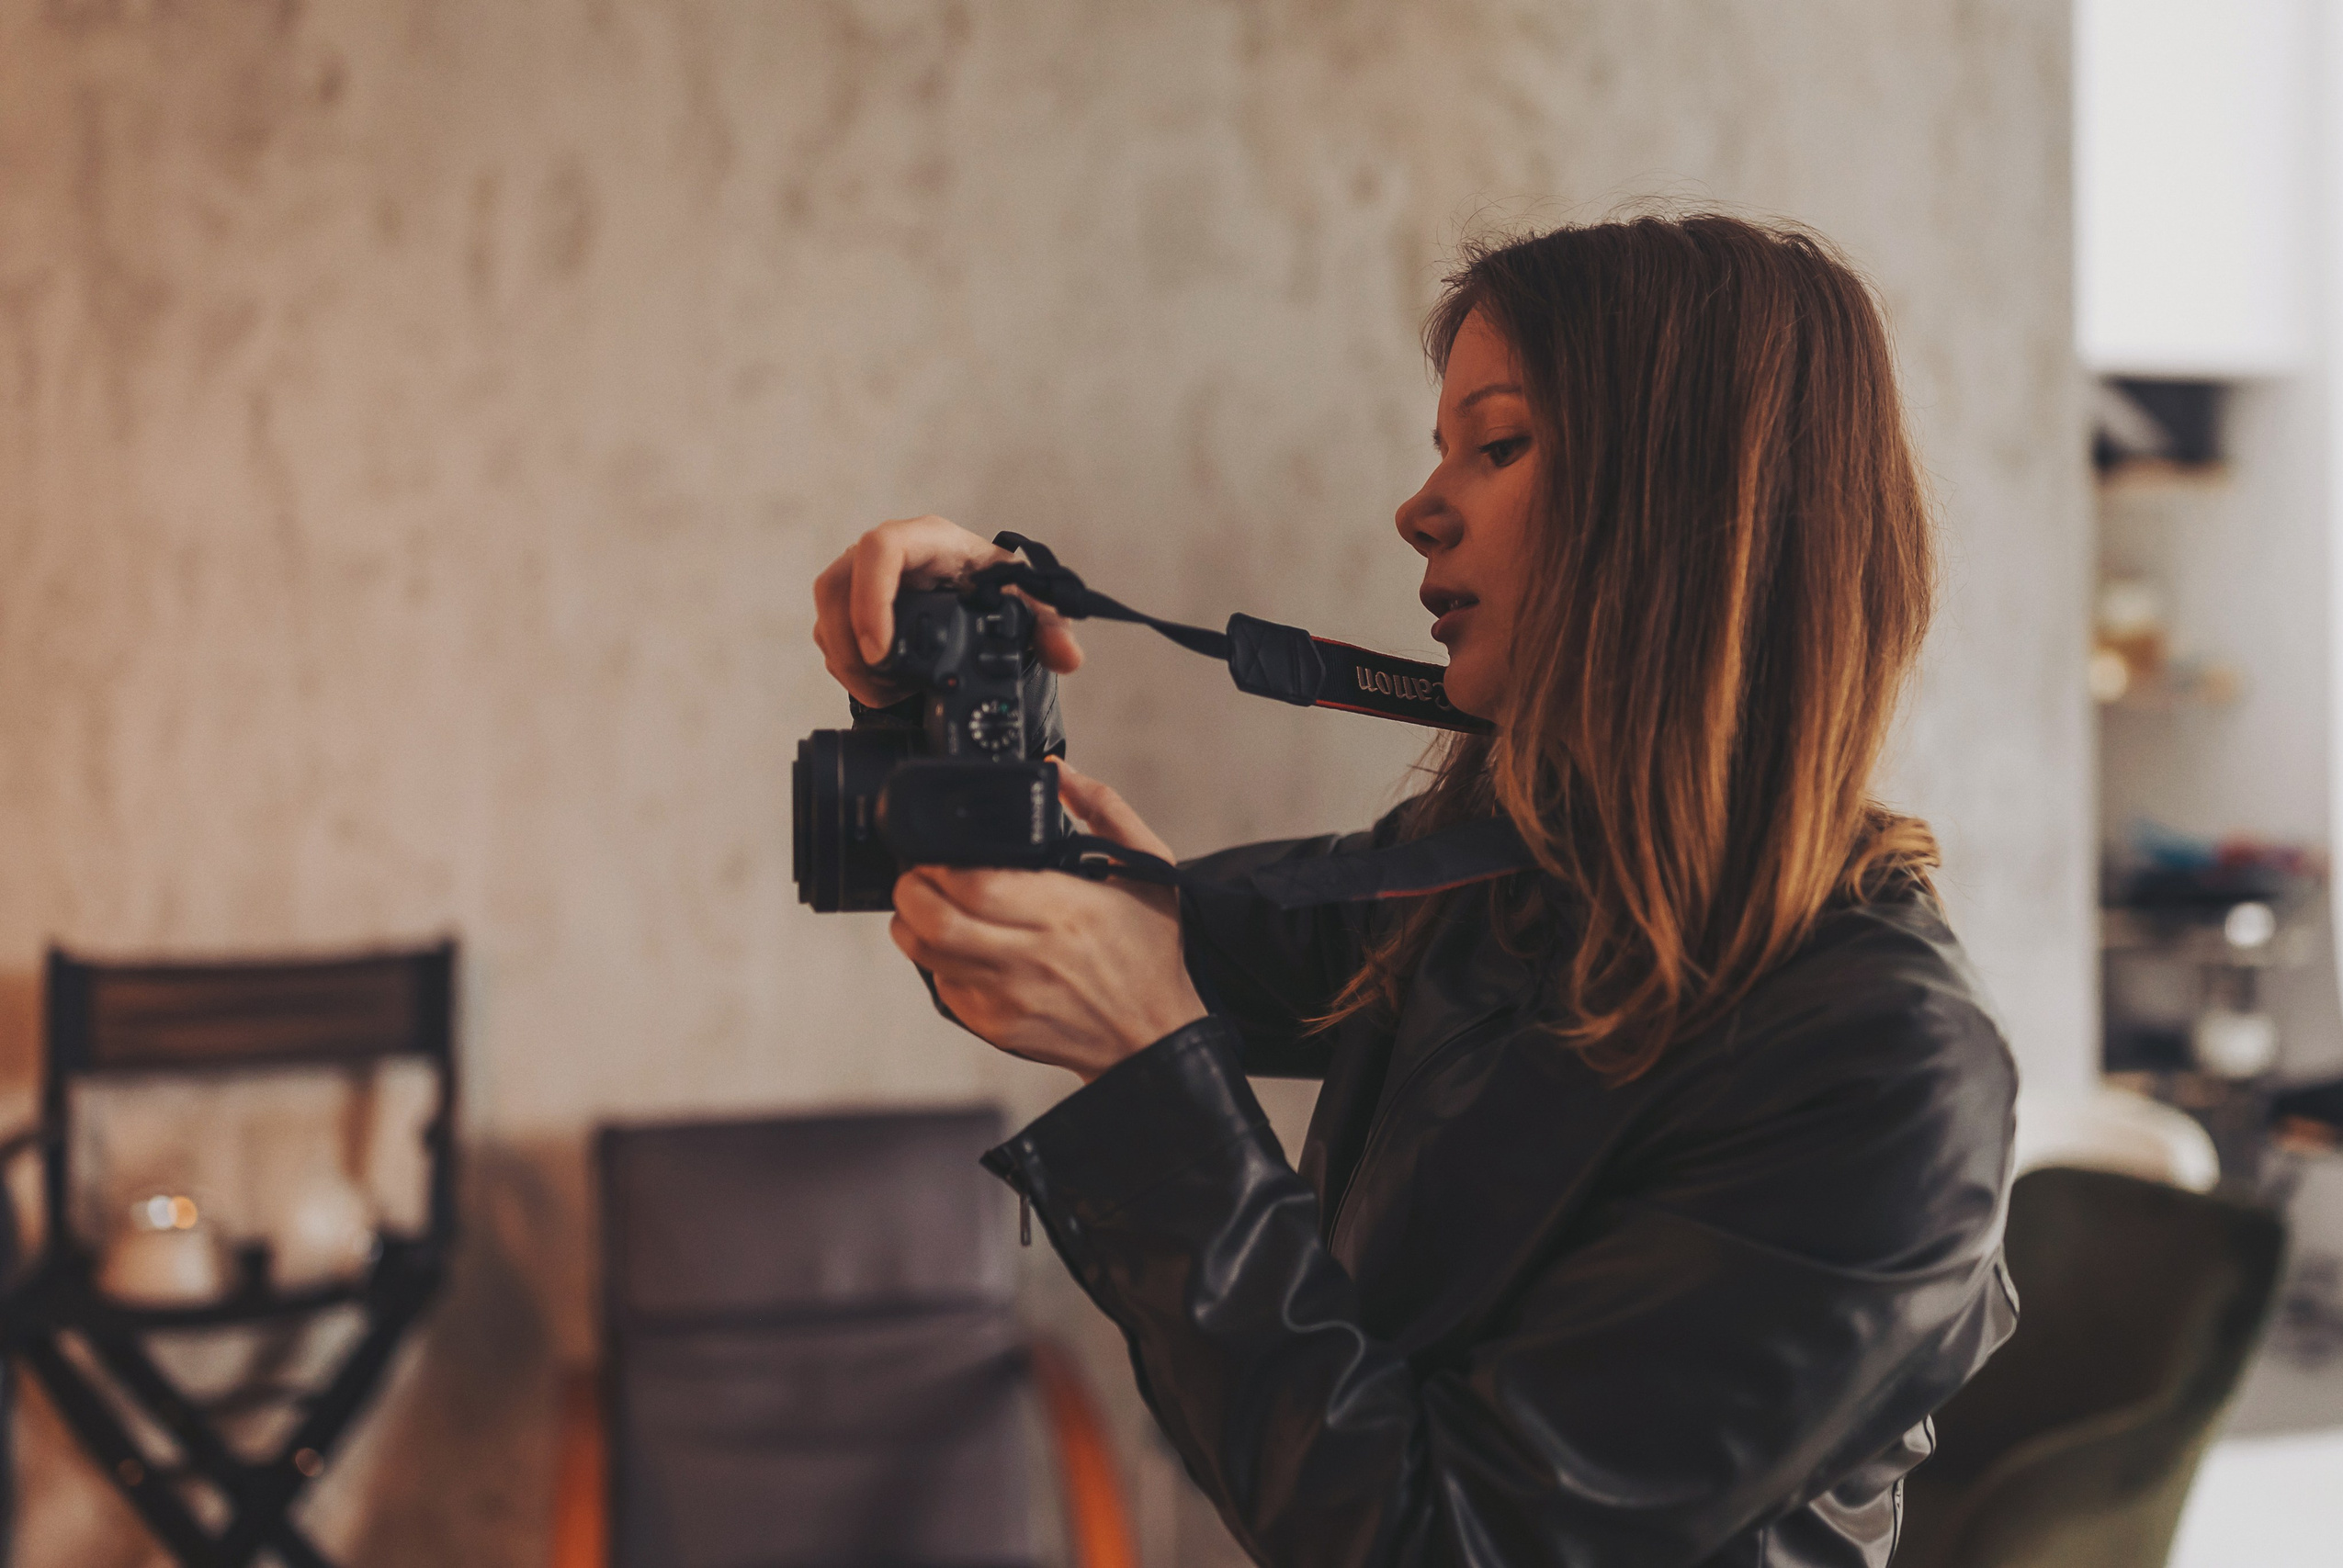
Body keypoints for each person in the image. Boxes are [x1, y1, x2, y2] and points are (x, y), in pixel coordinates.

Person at [810, 214, 2017, 1568]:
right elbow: (1063, 942)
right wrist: (953, 679)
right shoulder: (1517, 881)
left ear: (1689, 505)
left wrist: (1151, 1056)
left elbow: (1448, 1544)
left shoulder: (1880, 1064)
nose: (1417, 507)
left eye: (1498, 445)